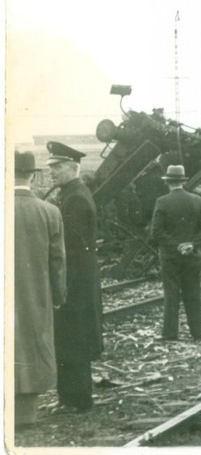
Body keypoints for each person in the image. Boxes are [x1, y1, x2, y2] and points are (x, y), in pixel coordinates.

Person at [46, 141, 103, 413]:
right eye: (51, 167)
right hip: (74, 280)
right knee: (68, 338)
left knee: (74, 339)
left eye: (57, 167)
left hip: (75, 282)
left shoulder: (76, 198)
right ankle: (68, 397)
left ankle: (78, 400)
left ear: (73, 167)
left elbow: (70, 247)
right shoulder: (71, 194)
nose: (52, 172)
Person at [14, 151, 66, 428]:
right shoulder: (50, 212)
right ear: (33, 177)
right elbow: (58, 261)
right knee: (32, 346)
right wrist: (57, 295)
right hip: (36, 293)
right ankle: (26, 415)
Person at [149, 165, 201, 341]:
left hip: (170, 256)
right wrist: (191, 245)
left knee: (171, 294)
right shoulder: (197, 200)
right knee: (193, 293)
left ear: (167, 182)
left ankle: (170, 334)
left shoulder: (162, 201)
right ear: (183, 181)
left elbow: (156, 232)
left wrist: (176, 246)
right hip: (192, 255)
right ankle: (197, 333)